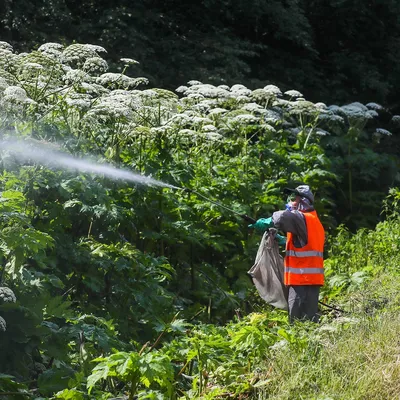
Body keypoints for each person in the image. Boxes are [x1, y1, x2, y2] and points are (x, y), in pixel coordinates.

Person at [249, 185, 325, 323]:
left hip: (302, 280)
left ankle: (299, 344)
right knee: (309, 320)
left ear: (303, 201)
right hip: (310, 280)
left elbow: (282, 217)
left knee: (297, 322)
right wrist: (283, 240)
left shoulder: (301, 218)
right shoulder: (313, 220)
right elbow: (305, 245)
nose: (290, 202)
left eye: (293, 198)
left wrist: (267, 222)